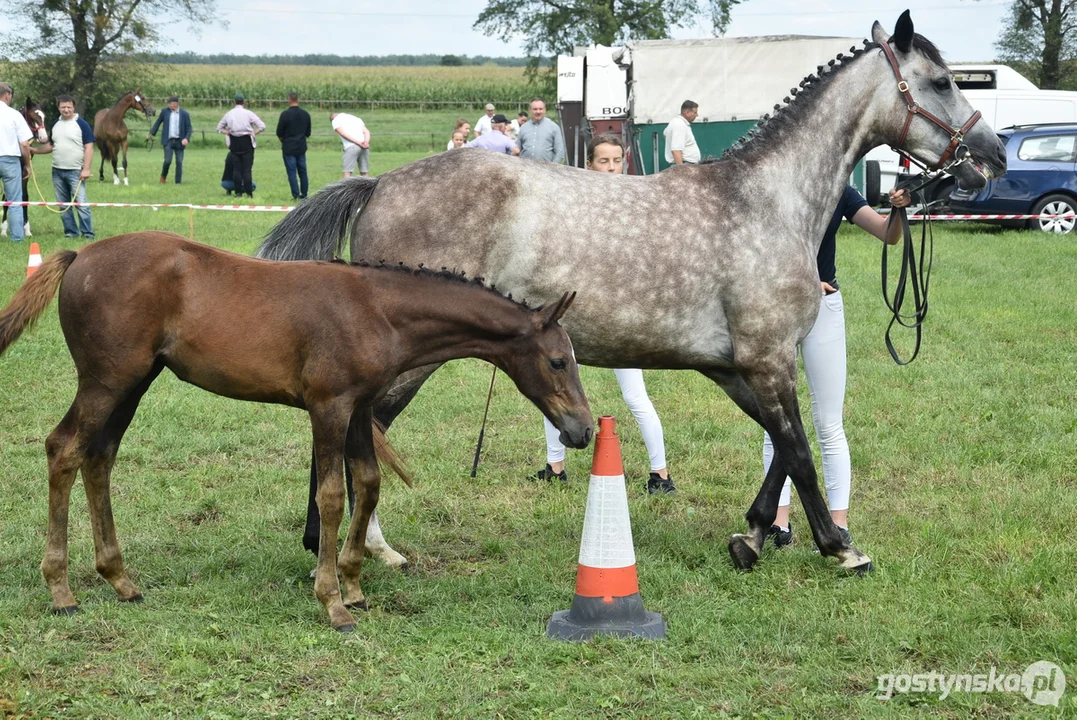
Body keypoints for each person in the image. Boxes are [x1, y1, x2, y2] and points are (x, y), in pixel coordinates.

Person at [765, 184, 912, 549]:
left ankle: (837, 523)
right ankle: (777, 521)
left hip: (825, 306)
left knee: (828, 422)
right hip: (776, 306)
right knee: (774, 423)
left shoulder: (840, 191)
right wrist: (803, 282)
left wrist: (899, 210)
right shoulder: (775, 185)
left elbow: (887, 235)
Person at [532, 134, 676, 494]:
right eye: (603, 162)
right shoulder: (577, 208)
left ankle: (661, 474)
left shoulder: (637, 206)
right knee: (554, 385)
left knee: (635, 396)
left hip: (619, 318)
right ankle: (555, 465)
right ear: (589, 165)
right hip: (575, 314)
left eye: (616, 161)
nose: (610, 168)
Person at [32, 95, 94, 239]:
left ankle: (87, 234)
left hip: (76, 171)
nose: (66, 110)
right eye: (63, 107)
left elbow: (89, 147)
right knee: (63, 205)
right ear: (58, 107)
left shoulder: (82, 124)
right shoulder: (55, 124)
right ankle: (70, 232)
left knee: (82, 204)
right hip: (57, 171)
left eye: (69, 107)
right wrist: (34, 150)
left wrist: (86, 169)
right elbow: (51, 145)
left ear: (74, 107)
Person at [0, 82, 33, 243]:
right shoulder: (14, 115)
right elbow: (25, 144)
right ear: (7, 95)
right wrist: (27, 164)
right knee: (14, 201)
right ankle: (17, 238)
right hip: (10, 160)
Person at [216, 93, 265, 198]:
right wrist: (253, 133)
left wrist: (227, 132)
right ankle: (249, 193)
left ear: (234, 102)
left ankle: (238, 192)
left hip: (234, 142)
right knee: (247, 169)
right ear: (244, 102)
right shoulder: (248, 114)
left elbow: (219, 128)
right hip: (247, 142)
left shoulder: (229, 114)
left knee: (236, 169)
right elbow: (262, 126)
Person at [146, 95, 192, 184]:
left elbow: (189, 128)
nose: (168, 105)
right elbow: (158, 122)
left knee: (179, 162)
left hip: (180, 142)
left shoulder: (185, 114)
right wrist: (151, 133)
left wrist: (186, 138)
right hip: (168, 141)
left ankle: (178, 182)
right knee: (167, 161)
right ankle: (163, 177)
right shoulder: (165, 112)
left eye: (170, 104)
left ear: (175, 104)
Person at [275, 91, 311, 200]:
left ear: (289, 99)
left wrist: (284, 141)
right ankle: (304, 194)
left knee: (292, 172)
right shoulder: (305, 114)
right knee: (303, 171)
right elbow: (308, 133)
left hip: (288, 147)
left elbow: (279, 132)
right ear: (298, 100)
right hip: (301, 146)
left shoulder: (285, 114)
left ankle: (295, 194)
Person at [515, 98, 565, 163]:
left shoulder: (553, 127)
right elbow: (517, 149)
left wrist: (552, 168)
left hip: (545, 170)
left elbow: (560, 152)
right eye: (535, 109)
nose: (538, 112)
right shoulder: (523, 127)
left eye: (540, 109)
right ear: (530, 110)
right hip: (525, 168)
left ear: (545, 110)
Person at [330, 112, 370, 178]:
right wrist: (366, 142)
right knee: (364, 172)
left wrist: (358, 142)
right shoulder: (356, 119)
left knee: (347, 172)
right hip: (364, 147)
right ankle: (367, 188)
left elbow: (342, 133)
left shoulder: (335, 120)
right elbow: (366, 132)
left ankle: (346, 188)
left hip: (351, 146)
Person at [664, 100, 700, 166]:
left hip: (686, 165)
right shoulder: (679, 124)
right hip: (685, 166)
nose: (697, 115)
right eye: (695, 112)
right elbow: (676, 150)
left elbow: (665, 134)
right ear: (687, 112)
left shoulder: (677, 122)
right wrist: (681, 171)